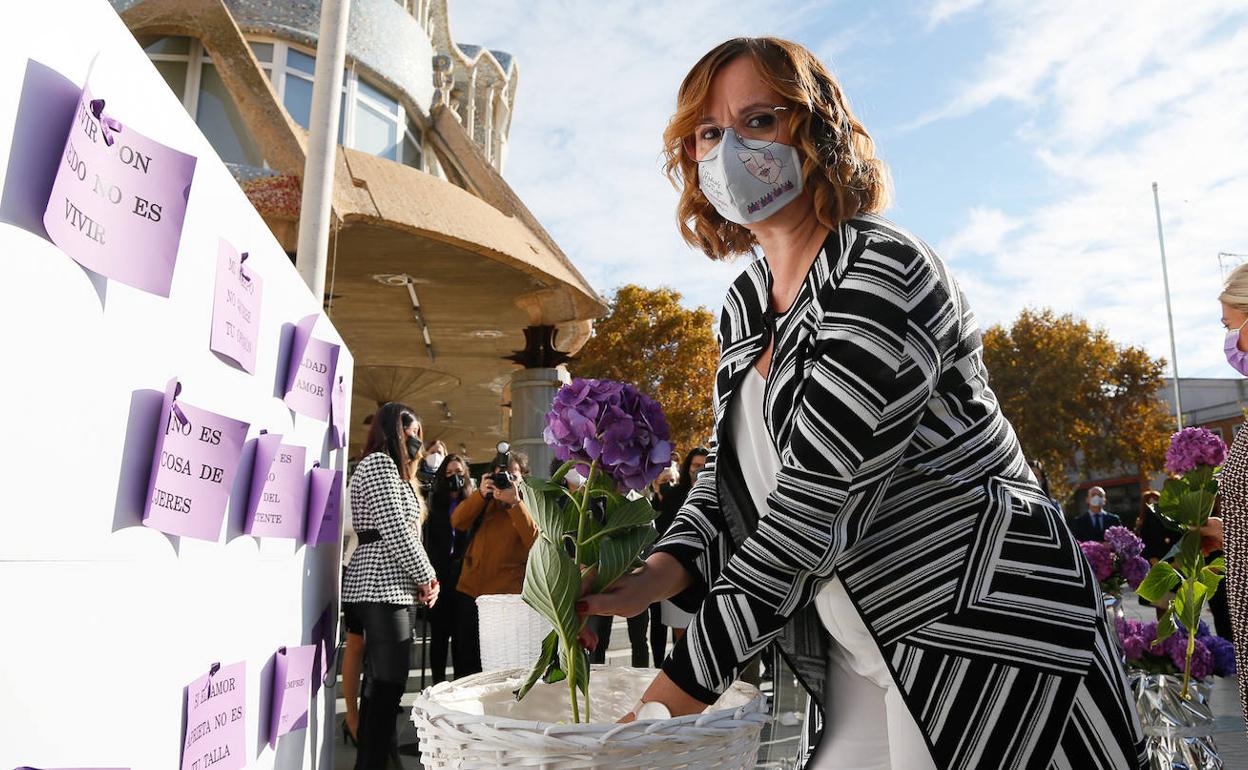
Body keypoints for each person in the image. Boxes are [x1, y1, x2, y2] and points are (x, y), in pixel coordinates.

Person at [580, 37, 1144, 769]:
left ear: (814, 131)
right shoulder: (745, 304)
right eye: (708, 133)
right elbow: (724, 482)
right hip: (865, 643)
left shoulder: (883, 269)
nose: (728, 151)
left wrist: (666, 702)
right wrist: (653, 574)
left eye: (758, 121)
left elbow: (814, 506)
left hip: (982, 641)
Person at [341, 402, 439, 769]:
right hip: (381, 584)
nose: (418, 440)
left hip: (388, 585)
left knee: (382, 685)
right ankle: (373, 761)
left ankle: (377, 759)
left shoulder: (394, 472)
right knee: (387, 685)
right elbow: (397, 531)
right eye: (412, 432)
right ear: (395, 432)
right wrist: (428, 575)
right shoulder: (380, 464)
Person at [450, 451, 538, 658]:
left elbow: (535, 541)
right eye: (501, 475)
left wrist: (515, 503)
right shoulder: (483, 500)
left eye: (512, 476)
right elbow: (458, 522)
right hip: (470, 591)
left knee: (499, 659)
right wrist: (481, 494)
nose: (505, 481)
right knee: (465, 659)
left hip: (505, 597)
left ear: (523, 477)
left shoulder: (530, 504)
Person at [423, 453, 480, 682]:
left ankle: (460, 682)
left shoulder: (472, 503)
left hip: (464, 577)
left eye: (458, 473)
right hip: (440, 576)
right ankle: (437, 683)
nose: (454, 478)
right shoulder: (434, 504)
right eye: (448, 474)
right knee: (439, 636)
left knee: (461, 637)